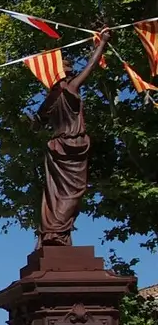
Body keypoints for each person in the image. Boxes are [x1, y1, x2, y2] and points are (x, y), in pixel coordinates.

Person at [37, 30, 110, 246]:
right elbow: (91, 65)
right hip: (73, 144)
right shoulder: (70, 87)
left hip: (57, 146)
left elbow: (38, 121)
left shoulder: (51, 97)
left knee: (56, 191)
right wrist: (103, 42)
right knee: (72, 191)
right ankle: (56, 231)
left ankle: (54, 231)